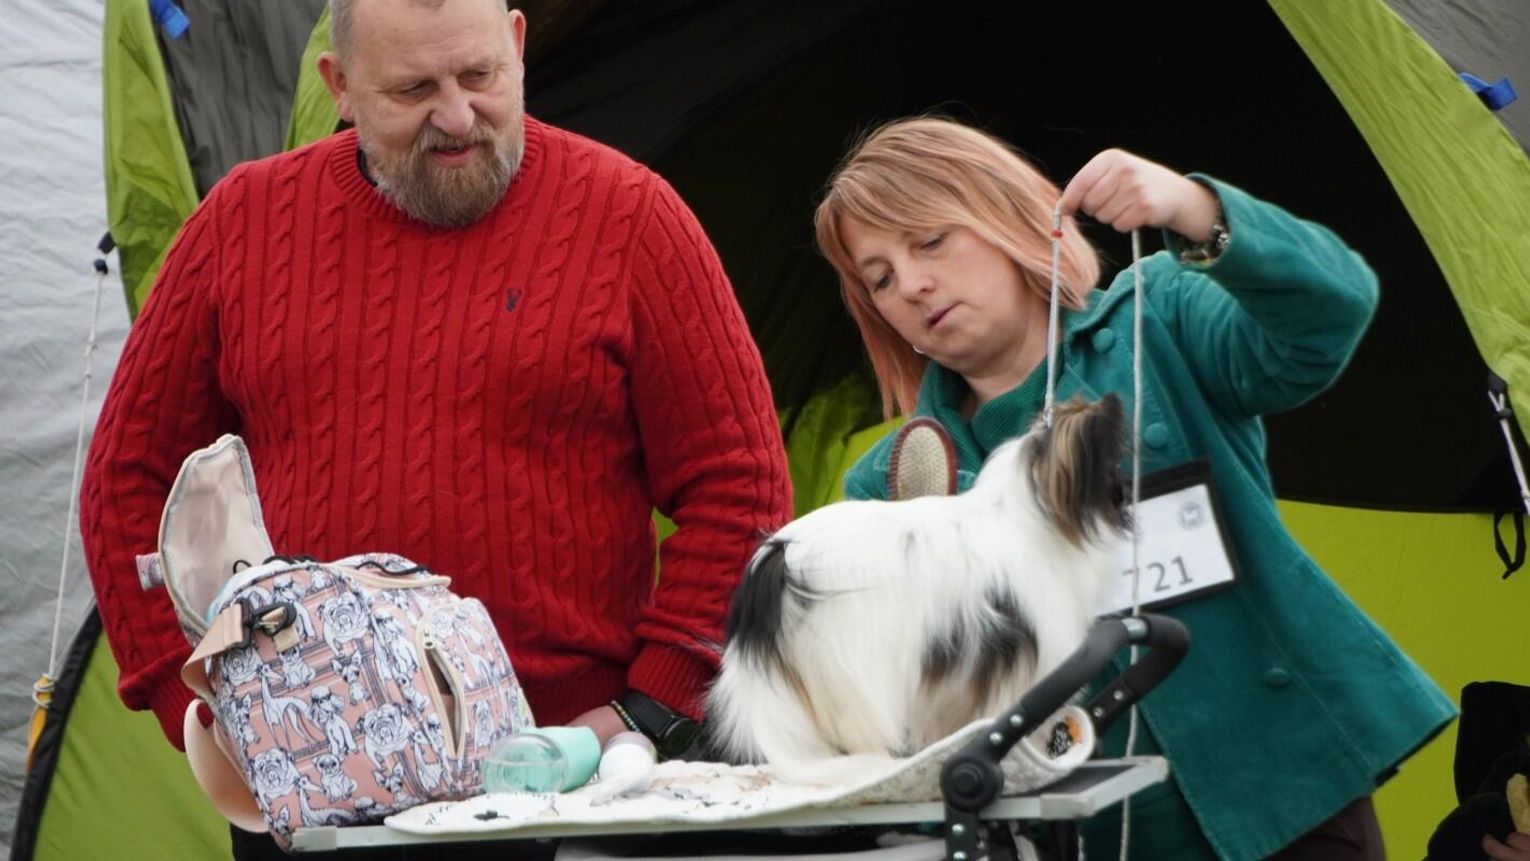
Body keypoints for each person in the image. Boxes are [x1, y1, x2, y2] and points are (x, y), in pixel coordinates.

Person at [78, 0, 790, 856]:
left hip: (571, 787)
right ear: (340, 87)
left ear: (517, 45)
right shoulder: (243, 223)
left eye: (479, 76)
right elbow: (127, 478)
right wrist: (200, 705)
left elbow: (740, 486)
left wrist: (649, 707)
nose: (457, 116)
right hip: (315, 803)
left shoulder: (632, 218)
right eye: (414, 90)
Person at [813, 116, 1456, 860]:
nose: (912, 284)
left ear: (1008, 215)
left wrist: (1195, 208)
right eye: (880, 278)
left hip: (1287, 797)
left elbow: (1332, 312)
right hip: (1072, 836)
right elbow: (885, 717)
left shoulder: (1163, 317)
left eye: (930, 240)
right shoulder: (887, 487)